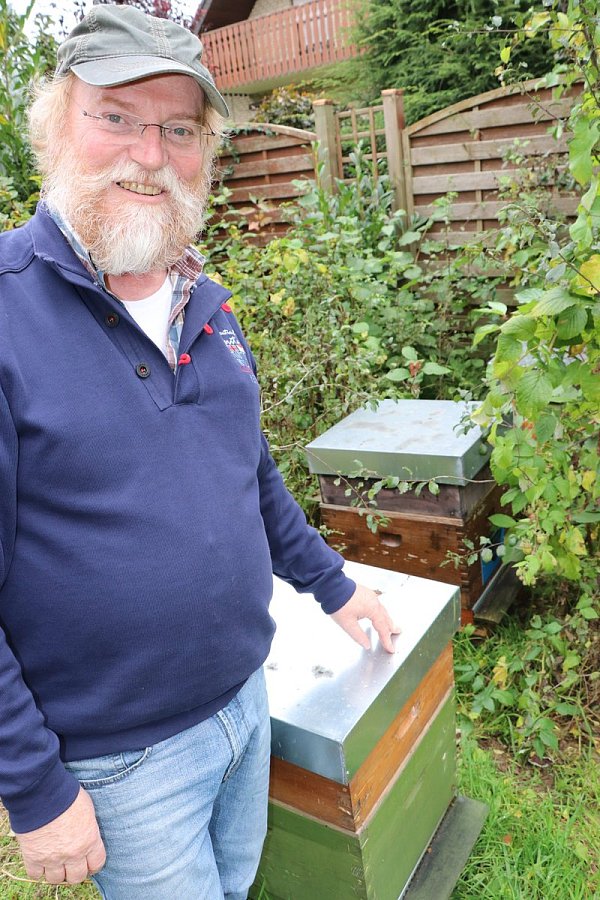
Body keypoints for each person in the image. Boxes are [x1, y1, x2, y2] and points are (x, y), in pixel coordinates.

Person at [0, 5, 400, 898]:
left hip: (245, 707)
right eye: (117, 117)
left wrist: (334, 583)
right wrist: (32, 788)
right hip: (121, 764)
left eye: (179, 129)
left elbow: (246, 473)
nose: (150, 154)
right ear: (55, 121)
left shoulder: (206, 306)